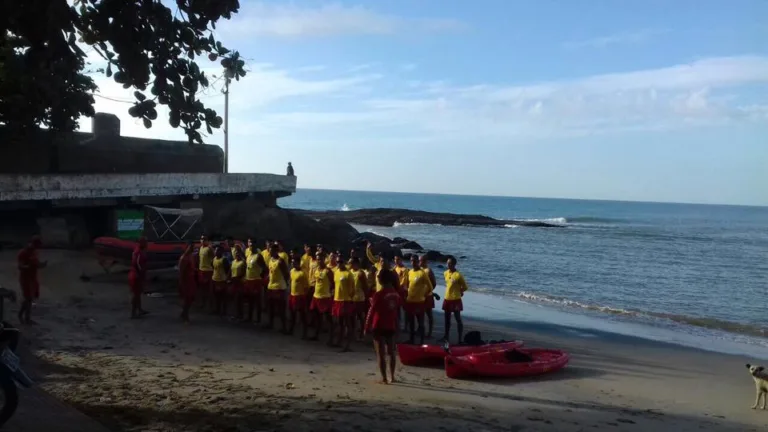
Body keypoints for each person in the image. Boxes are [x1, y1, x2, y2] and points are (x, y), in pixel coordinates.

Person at [364, 266, 401, 384]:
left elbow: (372, 311)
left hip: (378, 324)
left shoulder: (378, 294)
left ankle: (384, 379)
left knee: (381, 354)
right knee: (391, 352)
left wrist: (366, 326)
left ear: (381, 280)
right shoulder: (396, 294)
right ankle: (393, 377)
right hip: (391, 325)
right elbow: (396, 310)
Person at [17, 236, 46, 324]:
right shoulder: (22, 253)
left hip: (33, 278)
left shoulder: (34, 253)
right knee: (28, 298)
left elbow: (37, 264)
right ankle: (26, 318)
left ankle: (22, 315)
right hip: (25, 278)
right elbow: (20, 266)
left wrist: (42, 265)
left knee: (30, 298)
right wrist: (28, 266)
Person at [404, 255, 433, 345]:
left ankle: (421, 342)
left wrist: (424, 295)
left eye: (414, 261)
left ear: (418, 262)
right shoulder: (410, 272)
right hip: (410, 301)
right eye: (411, 261)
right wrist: (407, 293)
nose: (412, 263)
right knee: (411, 322)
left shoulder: (422, 273)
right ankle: (411, 340)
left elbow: (430, 287)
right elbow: (406, 285)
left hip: (419, 302)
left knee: (420, 322)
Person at [442, 257, 468, 344]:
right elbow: (448, 284)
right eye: (447, 263)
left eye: (449, 263)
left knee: (458, 319)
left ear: (454, 264)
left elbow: (465, 287)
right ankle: (446, 337)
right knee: (447, 320)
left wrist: (460, 291)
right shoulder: (445, 273)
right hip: (447, 298)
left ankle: (460, 339)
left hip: (456, 299)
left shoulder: (458, 275)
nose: (448, 265)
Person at [309, 253, 334, 342]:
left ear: (324, 259)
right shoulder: (317, 270)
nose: (319, 261)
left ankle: (331, 338)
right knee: (316, 317)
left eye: (320, 259)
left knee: (328, 318)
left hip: (325, 297)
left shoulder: (328, 271)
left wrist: (329, 292)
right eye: (318, 259)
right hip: (316, 296)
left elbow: (333, 283)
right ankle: (316, 335)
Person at [265, 243, 290, 332]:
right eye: (269, 250)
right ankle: (270, 324)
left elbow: (286, 274)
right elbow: (270, 272)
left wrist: (286, 284)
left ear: (276, 251)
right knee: (270, 307)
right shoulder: (271, 260)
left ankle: (284, 327)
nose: (269, 252)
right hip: (271, 286)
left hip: (279, 287)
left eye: (271, 250)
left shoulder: (280, 261)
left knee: (281, 309)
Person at [332, 259, 356, 351]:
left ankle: (348, 345)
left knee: (347, 323)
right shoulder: (336, 272)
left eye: (340, 262)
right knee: (339, 323)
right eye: (337, 262)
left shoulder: (348, 274)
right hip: (337, 300)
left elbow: (352, 289)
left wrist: (349, 299)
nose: (338, 263)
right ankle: (339, 342)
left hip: (345, 301)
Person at [243, 241, 267, 323]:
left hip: (256, 280)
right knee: (250, 300)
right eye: (250, 245)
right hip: (248, 280)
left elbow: (265, 268)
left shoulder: (258, 256)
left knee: (257, 300)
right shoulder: (249, 255)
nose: (251, 247)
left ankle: (258, 319)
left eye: (252, 245)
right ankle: (249, 317)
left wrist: (261, 276)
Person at [288, 255, 310, 338]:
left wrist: (304, 296)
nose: (293, 264)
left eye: (294, 262)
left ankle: (305, 333)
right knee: (292, 314)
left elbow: (306, 287)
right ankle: (291, 330)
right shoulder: (292, 271)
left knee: (302, 315)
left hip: (300, 296)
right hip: (293, 295)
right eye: (292, 262)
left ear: (298, 263)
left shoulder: (303, 273)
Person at [128, 236, 149, 319]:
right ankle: (133, 313)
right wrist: (141, 274)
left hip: (138, 274)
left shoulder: (140, 251)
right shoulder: (139, 252)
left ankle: (139, 309)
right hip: (136, 275)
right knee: (136, 294)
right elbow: (137, 264)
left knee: (138, 293)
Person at [420, 255, 438, 339]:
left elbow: (434, 283)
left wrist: (429, 291)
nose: (420, 262)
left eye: (422, 261)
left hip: (428, 296)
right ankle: (420, 330)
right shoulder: (420, 270)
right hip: (420, 296)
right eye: (419, 261)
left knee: (429, 314)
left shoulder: (429, 271)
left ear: (425, 261)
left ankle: (430, 332)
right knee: (420, 314)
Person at [350, 257, 368, 340]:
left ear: (356, 264)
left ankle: (362, 333)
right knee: (352, 317)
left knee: (360, 316)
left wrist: (366, 297)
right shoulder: (350, 272)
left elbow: (365, 287)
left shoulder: (361, 273)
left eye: (351, 263)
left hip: (359, 298)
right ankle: (353, 332)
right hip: (351, 298)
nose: (350, 265)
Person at [178, 242, 196, 323]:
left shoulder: (191, 256)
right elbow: (181, 272)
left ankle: (184, 313)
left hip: (191, 280)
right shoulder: (184, 258)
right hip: (186, 281)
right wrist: (181, 283)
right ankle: (185, 315)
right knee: (187, 298)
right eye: (190, 247)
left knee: (191, 298)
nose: (191, 249)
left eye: (192, 247)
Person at [211, 246, 230, 316]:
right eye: (215, 250)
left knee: (223, 297)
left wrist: (226, 279)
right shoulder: (214, 259)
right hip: (215, 279)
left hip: (222, 280)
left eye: (218, 251)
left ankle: (224, 311)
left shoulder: (224, 260)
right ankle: (217, 309)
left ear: (221, 252)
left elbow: (228, 270)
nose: (216, 252)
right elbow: (213, 268)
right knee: (216, 296)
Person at [197, 235, 214, 309]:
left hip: (208, 270)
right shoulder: (201, 248)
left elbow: (214, 257)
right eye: (201, 239)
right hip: (201, 270)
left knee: (208, 289)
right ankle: (203, 303)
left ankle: (210, 305)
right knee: (202, 288)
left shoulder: (209, 248)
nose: (203, 240)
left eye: (204, 239)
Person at [229, 246, 246, 320]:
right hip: (233, 283)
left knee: (239, 299)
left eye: (238, 253)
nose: (237, 254)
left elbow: (244, 272)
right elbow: (230, 271)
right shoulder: (233, 262)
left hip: (240, 283)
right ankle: (235, 314)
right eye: (235, 253)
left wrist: (237, 278)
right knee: (234, 299)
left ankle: (240, 315)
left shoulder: (243, 262)